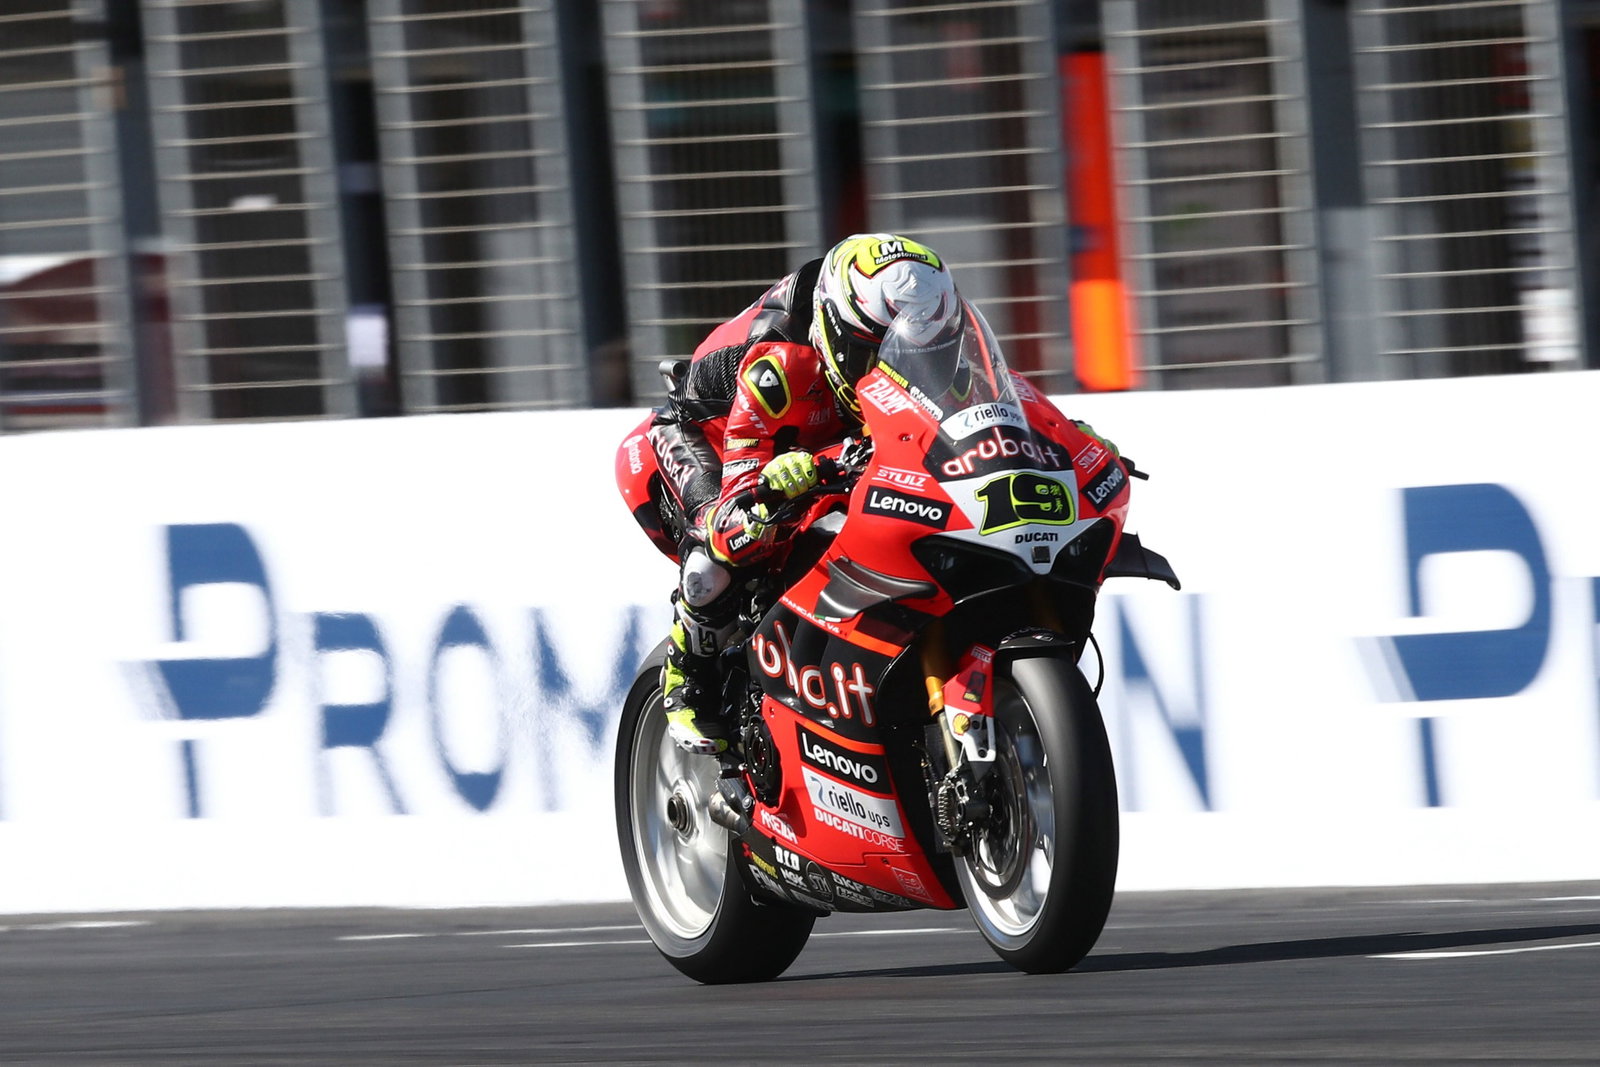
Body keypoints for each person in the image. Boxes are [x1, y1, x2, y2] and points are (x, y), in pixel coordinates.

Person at [645, 232, 1113, 755]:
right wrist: (770, 488)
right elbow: (741, 494)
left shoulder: (935, 331)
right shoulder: (777, 369)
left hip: (833, 440)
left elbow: (994, 404)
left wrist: (1065, 439)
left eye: (921, 349)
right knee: (731, 538)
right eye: (880, 352)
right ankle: (688, 672)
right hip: (703, 433)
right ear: (840, 334)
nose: (899, 365)